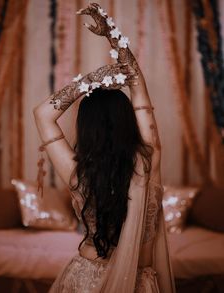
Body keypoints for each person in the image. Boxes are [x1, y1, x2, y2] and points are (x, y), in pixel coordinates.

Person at [33, 3, 175, 292]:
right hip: (139, 283)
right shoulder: (149, 158)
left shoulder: (77, 173)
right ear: (128, 120)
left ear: (86, 128)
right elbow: (138, 89)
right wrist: (112, 33)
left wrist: (92, 80)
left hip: (86, 279)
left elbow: (42, 114)